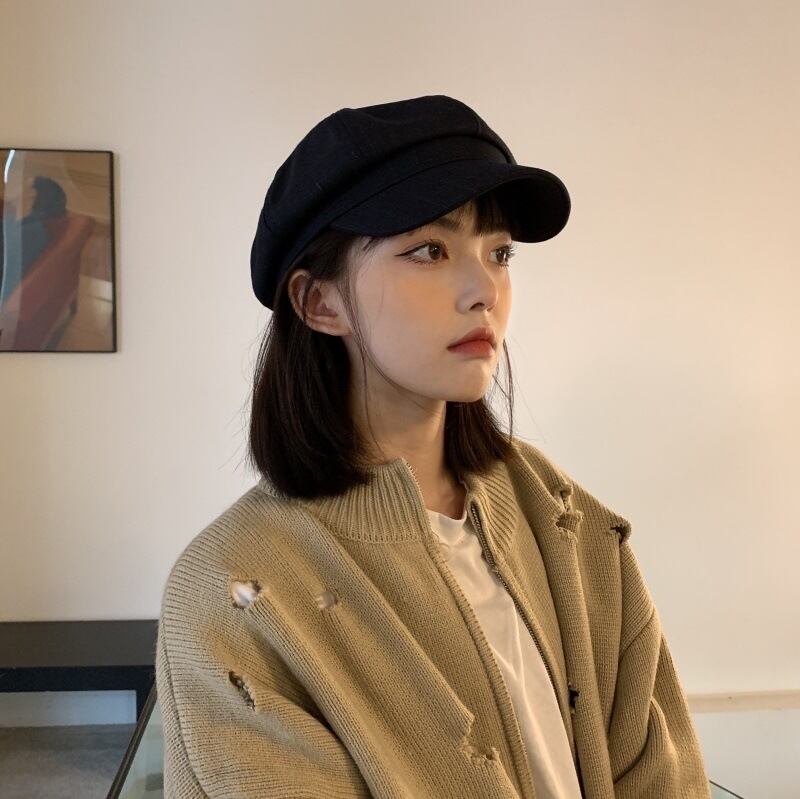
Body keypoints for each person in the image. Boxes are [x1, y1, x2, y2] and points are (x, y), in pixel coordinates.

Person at [155, 95, 712, 798]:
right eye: (429, 251)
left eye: (499, 253)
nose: (485, 291)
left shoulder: (561, 516)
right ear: (320, 302)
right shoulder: (236, 589)